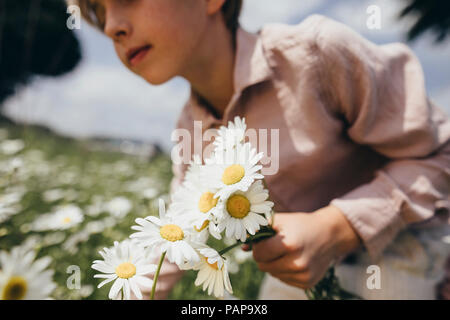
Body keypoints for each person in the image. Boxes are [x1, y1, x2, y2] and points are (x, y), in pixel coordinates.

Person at [74, 0, 450, 299]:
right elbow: (181, 226)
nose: (111, 27)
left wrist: (336, 226)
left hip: (411, 239)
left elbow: (440, 154)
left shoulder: (317, 55)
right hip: (305, 269)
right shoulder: (189, 131)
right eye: (100, 11)